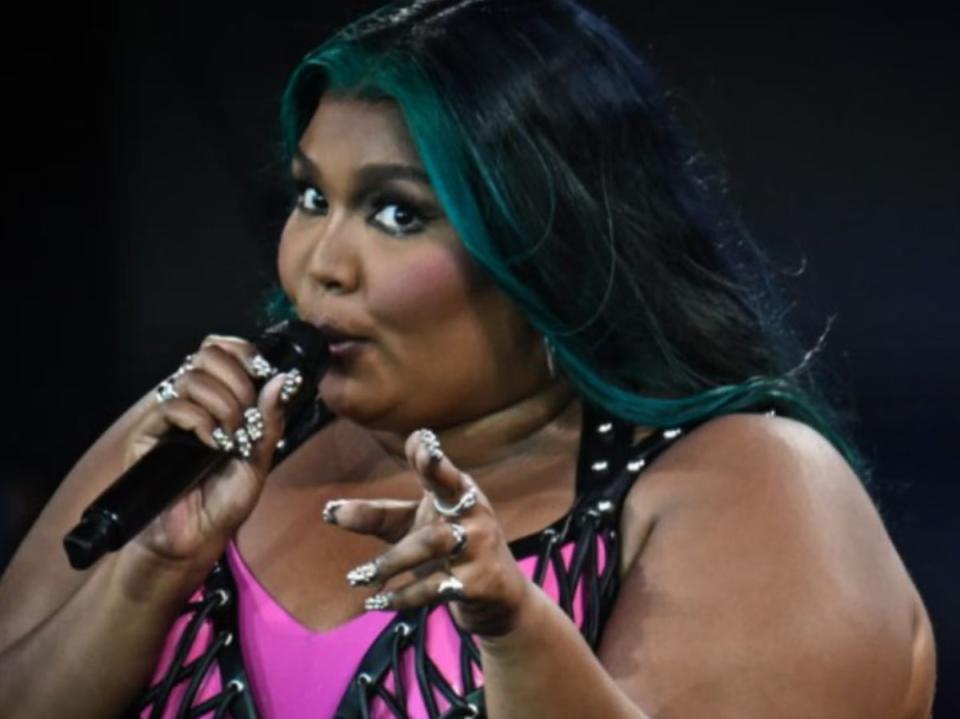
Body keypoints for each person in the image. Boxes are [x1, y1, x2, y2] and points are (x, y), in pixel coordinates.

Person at [0, 0, 936, 717]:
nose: (320, 262)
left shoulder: (745, 480)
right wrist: (148, 572)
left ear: (548, 243)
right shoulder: (214, 432)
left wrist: (519, 633)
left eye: (398, 211)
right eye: (312, 197)